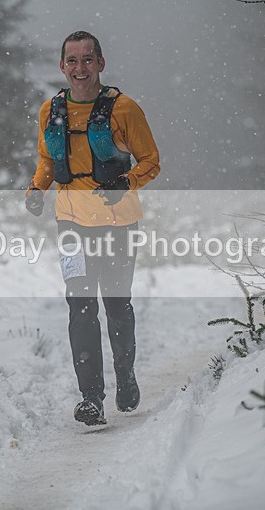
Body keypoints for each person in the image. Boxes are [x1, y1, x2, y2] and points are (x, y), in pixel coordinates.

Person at [25, 31, 160, 426]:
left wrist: (125, 182)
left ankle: (125, 374)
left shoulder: (125, 109)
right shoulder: (50, 110)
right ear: (62, 66)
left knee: (116, 307)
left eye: (87, 59)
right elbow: (47, 161)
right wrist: (37, 189)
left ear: (101, 64)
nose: (79, 68)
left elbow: (151, 162)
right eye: (72, 60)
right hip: (71, 223)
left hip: (119, 221)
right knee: (80, 309)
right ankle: (91, 399)